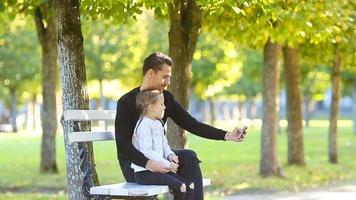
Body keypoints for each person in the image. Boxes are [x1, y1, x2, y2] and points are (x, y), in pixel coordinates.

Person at [115, 52, 246, 200]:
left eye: (169, 77)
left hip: (159, 158)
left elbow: (192, 124)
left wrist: (227, 135)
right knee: (181, 174)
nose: (168, 81)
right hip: (135, 167)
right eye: (165, 76)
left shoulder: (165, 99)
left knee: (189, 157)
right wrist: (148, 163)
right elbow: (123, 146)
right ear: (151, 73)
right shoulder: (126, 102)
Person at [132, 89, 194, 200]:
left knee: (190, 185)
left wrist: (170, 155)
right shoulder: (144, 125)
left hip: (159, 169)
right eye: (161, 104)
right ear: (151, 107)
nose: (164, 107)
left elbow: (164, 145)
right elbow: (147, 151)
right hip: (145, 173)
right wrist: (167, 164)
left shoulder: (158, 123)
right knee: (181, 187)